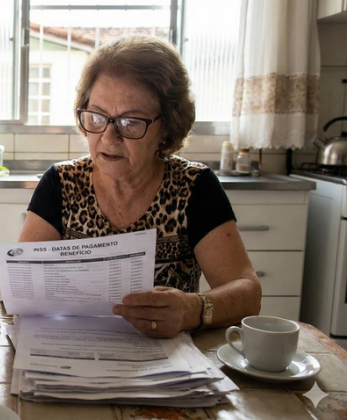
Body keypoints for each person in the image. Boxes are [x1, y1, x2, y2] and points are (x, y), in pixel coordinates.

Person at [19, 36, 261, 338]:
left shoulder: (194, 187)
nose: (109, 137)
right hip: (75, 348)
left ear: (167, 127)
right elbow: (23, 286)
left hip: (167, 360)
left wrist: (191, 310)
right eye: (97, 116)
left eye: (130, 122)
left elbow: (248, 292)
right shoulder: (61, 183)